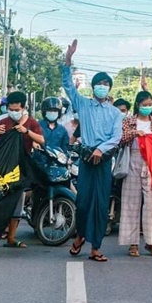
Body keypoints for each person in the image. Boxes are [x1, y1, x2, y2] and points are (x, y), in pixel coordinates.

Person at [64, 40, 122, 262]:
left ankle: (96, 247)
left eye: (106, 84)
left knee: (101, 203)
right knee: (84, 202)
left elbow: (116, 137)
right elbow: (68, 86)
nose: (102, 86)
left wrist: (101, 149)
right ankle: (80, 236)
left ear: (109, 88)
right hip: (86, 159)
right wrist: (68, 60)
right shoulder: (83, 104)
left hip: (104, 160)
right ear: (94, 86)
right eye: (99, 83)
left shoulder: (115, 113)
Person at [0, 91, 45, 250]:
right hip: (3, 168)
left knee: (17, 203)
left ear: (23, 108)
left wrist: (26, 132)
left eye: (17, 109)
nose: (14, 112)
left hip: (21, 169)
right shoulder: (3, 121)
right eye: (11, 109)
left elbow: (41, 140)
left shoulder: (31, 123)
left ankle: (11, 237)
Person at [118, 91, 152, 257]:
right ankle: (133, 243)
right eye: (144, 105)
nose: (147, 107)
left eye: (149, 105)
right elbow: (120, 138)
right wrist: (134, 133)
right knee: (131, 203)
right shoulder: (129, 121)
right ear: (138, 104)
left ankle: (150, 241)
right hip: (132, 161)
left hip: (151, 165)